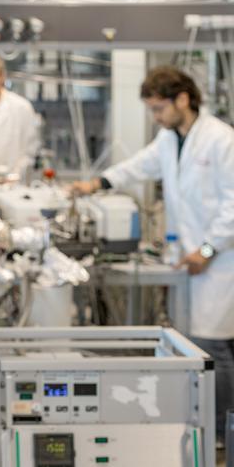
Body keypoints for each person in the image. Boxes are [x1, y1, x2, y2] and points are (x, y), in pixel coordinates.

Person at [72, 65, 234, 444]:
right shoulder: (169, 139)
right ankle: (198, 425)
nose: (155, 117)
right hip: (191, 259)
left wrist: (209, 249)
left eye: (159, 108)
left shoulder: (222, 140)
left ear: (183, 99)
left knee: (218, 347)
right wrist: (97, 183)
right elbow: (139, 166)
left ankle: (224, 437)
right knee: (194, 344)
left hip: (221, 261)